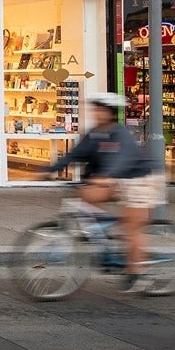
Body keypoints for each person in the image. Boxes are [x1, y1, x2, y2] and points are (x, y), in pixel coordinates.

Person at [47, 93, 157, 293]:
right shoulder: (94, 133)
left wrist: (107, 176)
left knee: (132, 228)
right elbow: (75, 153)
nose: (95, 113)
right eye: (94, 109)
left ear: (110, 113)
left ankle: (138, 273)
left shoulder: (120, 134)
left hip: (138, 180)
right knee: (87, 197)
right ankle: (105, 243)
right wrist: (49, 170)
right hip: (115, 180)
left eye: (100, 110)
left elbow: (121, 159)